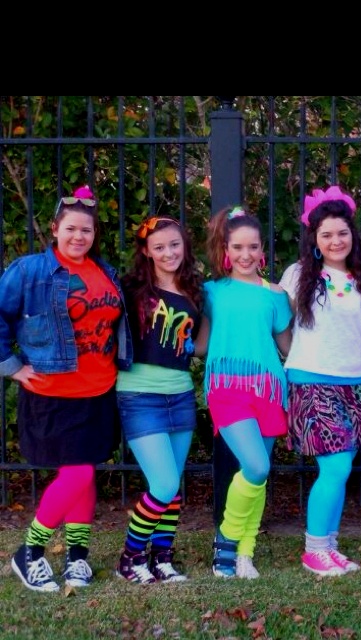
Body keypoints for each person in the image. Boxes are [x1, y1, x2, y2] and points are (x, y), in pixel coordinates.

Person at [0, 186, 133, 593]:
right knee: (78, 472)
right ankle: (29, 552)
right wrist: (12, 367)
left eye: (86, 230)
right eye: (71, 228)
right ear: (55, 229)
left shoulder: (105, 272)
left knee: (84, 471)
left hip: (99, 392)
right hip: (52, 393)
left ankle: (77, 558)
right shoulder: (30, 271)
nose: (79, 236)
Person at [280, 185, 361, 577]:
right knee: (335, 467)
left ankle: (330, 545)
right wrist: (293, 357)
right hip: (313, 380)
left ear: (352, 235)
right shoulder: (299, 275)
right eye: (326, 235)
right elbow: (278, 324)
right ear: (315, 240)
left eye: (342, 233)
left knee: (342, 468)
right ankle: (315, 550)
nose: (336, 240)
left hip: (357, 381)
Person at [115, 216, 207, 584]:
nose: (168, 252)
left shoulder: (195, 291)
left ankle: (162, 558)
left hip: (180, 393)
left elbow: (200, 345)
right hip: (139, 394)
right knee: (164, 484)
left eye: (174, 244)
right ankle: (130, 557)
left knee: (173, 487)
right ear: (146, 252)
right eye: (159, 247)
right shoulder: (131, 289)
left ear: (185, 246)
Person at [203, 205, 292, 579]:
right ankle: (225, 538)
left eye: (253, 247)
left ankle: (245, 553)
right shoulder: (211, 292)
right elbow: (200, 344)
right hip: (226, 388)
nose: (246, 255)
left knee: (257, 476)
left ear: (262, 249)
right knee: (256, 465)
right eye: (238, 247)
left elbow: (287, 347)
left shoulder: (276, 295)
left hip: (269, 389)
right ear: (226, 249)